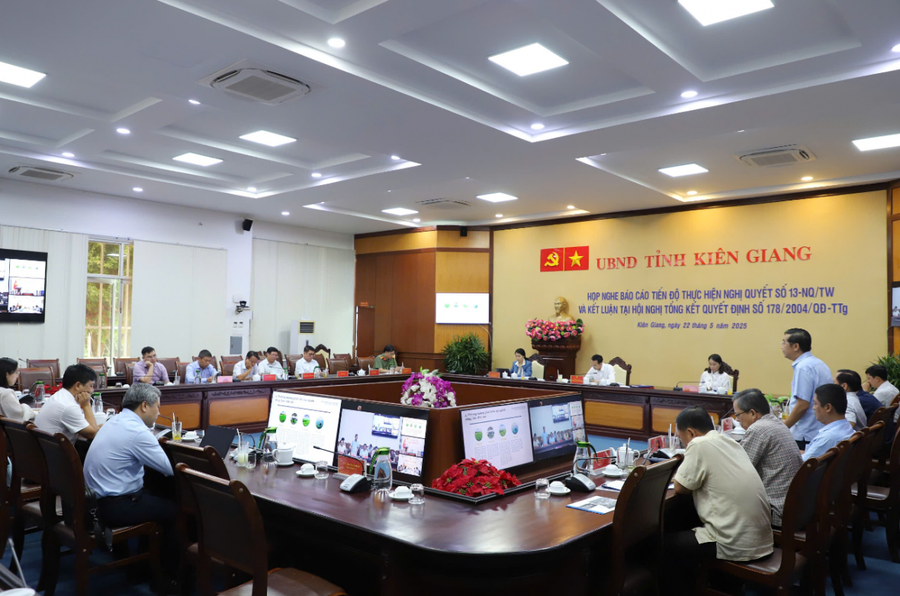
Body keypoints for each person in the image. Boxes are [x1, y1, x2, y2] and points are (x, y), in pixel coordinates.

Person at [669, 406, 773, 589]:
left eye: (680, 438)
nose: (683, 443)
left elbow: (680, 487)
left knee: (664, 543)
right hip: (761, 538)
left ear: (690, 432)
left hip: (734, 542)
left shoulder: (698, 443)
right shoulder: (729, 441)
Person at [83, 384, 177, 581]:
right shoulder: (138, 432)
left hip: (91, 502)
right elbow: (169, 470)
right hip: (112, 507)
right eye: (157, 406)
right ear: (144, 406)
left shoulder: (114, 421)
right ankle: (162, 575)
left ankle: (141, 561)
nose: (159, 412)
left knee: (154, 492)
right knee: (174, 510)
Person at [732, 389, 802, 527]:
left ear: (752, 413)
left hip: (777, 511)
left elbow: (737, 472)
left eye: (738, 415)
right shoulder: (777, 423)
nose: (737, 420)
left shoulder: (758, 429)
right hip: (796, 506)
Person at [781, 328, 832, 449]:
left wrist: (782, 429)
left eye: (784, 342)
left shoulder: (803, 367)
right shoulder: (818, 363)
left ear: (796, 346)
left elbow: (802, 405)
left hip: (805, 432)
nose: (781, 346)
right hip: (819, 428)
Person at [34, 364, 100, 444]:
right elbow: (92, 434)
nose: (92, 390)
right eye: (91, 386)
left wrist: (97, 428)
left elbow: (90, 429)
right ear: (78, 385)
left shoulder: (60, 396)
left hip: (45, 448)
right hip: (57, 451)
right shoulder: (68, 406)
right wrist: (86, 405)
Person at [802, 384, 855, 461]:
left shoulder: (828, 438)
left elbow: (800, 464)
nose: (813, 408)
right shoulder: (846, 427)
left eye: (815, 403)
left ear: (828, 407)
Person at [0, 357, 35, 422]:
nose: (17, 376)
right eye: (16, 372)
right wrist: (25, 407)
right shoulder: (6, 393)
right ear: (7, 374)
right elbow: (20, 417)